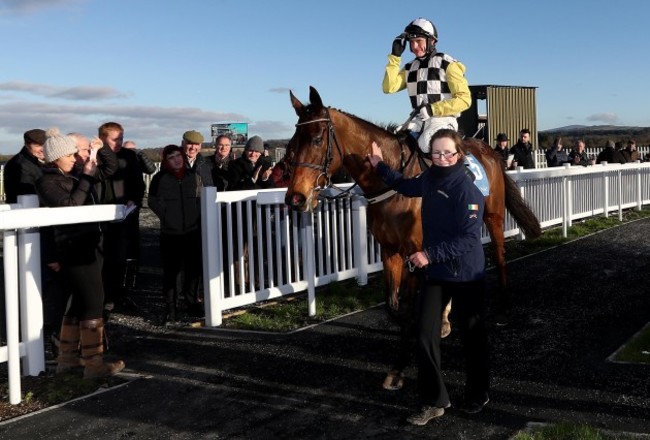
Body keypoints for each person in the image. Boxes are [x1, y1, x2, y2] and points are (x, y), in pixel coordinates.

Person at [368, 129, 490, 425]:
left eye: (448, 153)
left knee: (472, 338)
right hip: (437, 273)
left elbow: (468, 240)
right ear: (430, 156)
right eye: (436, 153)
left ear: (459, 155)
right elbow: (404, 185)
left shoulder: (468, 192)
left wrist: (428, 255)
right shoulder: (430, 179)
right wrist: (379, 164)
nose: (442, 158)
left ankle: (478, 393)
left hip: (466, 274)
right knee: (424, 335)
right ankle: (435, 400)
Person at [35, 127, 125, 378]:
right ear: (56, 158)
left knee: (78, 303)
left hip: (89, 244)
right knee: (94, 301)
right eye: (71, 155)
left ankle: (67, 359)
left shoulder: (74, 174)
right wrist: (86, 176)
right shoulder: (47, 181)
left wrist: (100, 150)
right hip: (73, 248)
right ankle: (95, 363)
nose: (76, 158)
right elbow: (69, 207)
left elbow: (109, 169)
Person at [382, 17, 471, 153]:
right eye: (411, 42)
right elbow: (389, 87)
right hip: (418, 122)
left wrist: (432, 109)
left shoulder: (449, 64)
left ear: (432, 41)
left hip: (443, 121)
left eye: (419, 41)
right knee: (394, 144)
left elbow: (464, 100)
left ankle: (455, 173)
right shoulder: (410, 67)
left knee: (425, 144)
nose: (415, 46)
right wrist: (395, 57)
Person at [147, 145, 204, 322]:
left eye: (178, 155)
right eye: (171, 157)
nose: (177, 159)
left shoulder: (193, 176)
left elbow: (201, 198)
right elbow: (152, 201)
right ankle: (171, 308)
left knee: (193, 271)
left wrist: (197, 217)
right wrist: (167, 216)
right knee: (172, 274)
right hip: (170, 234)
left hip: (192, 232)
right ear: (166, 160)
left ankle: (192, 303)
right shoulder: (160, 178)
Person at [96, 122, 146, 316]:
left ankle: (121, 294)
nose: (119, 142)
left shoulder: (129, 156)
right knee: (104, 259)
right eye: (114, 139)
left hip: (126, 215)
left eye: (121, 139)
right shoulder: (96, 157)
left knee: (125, 257)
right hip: (101, 217)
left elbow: (138, 184)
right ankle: (104, 299)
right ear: (102, 138)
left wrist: (134, 201)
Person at [4, 128, 46, 203]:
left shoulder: (40, 161)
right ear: (27, 145)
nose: (42, 149)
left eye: (45, 145)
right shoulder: (19, 165)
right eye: (37, 145)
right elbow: (27, 194)